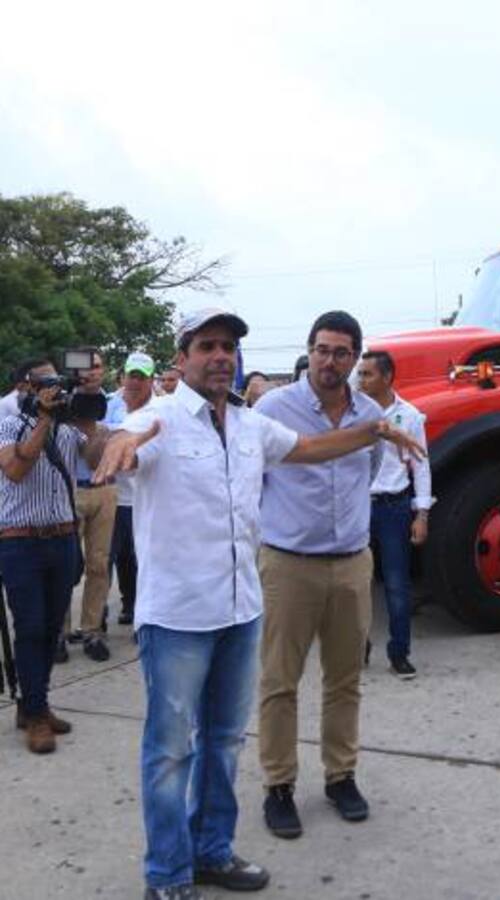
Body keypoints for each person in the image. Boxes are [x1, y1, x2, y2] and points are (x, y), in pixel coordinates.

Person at [94, 306, 421, 900]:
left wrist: (376, 430)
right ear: (184, 356)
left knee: (222, 743)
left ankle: (213, 851)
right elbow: (126, 440)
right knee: (170, 751)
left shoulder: (251, 426)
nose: (220, 356)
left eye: (228, 348)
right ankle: (167, 875)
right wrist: (119, 440)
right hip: (177, 618)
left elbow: (315, 449)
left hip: (240, 609)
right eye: (207, 346)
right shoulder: (158, 419)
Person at [255, 311, 390, 839]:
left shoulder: (371, 411)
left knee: (345, 680)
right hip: (289, 565)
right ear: (308, 350)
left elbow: (372, 474)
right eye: (321, 350)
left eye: (341, 352)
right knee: (279, 681)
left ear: (356, 358)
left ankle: (341, 777)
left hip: (352, 564)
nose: (329, 361)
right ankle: (279, 785)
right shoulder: (274, 408)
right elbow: (257, 478)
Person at [0, 355, 111, 753]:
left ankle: (36, 705)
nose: (54, 387)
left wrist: (91, 414)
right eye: (45, 381)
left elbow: (96, 460)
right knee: (30, 627)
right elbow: (15, 469)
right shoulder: (9, 422)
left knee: (50, 631)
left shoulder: (68, 428)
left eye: (57, 381)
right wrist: (45, 419)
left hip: (63, 539)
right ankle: (33, 713)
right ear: (25, 387)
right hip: (20, 542)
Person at [358, 350, 432, 678]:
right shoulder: (354, 412)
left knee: (396, 584)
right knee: (353, 584)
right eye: (360, 374)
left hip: (394, 508)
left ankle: (399, 652)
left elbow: (421, 465)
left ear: (387, 377)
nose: (361, 380)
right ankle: (358, 646)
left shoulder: (410, 415)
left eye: (368, 374)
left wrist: (422, 514)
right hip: (358, 507)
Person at [61, 352, 116, 663]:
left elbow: (99, 455)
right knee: (66, 565)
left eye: (95, 366)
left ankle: (92, 630)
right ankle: (60, 631)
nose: (90, 372)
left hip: (104, 488)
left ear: (103, 369)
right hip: (69, 490)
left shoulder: (115, 403)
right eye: (84, 367)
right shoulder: (61, 401)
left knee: (99, 564)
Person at [105, 352, 156, 626]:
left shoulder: (161, 411)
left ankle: (140, 613)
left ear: (151, 380)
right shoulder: (107, 404)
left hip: (143, 501)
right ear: (121, 376)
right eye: (130, 375)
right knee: (108, 561)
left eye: (141, 377)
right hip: (113, 499)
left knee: (140, 561)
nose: (134, 382)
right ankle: (100, 617)